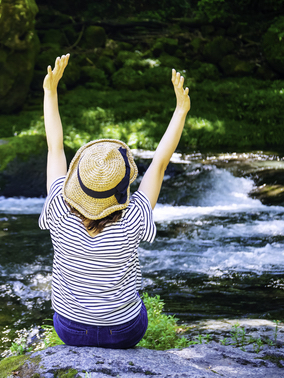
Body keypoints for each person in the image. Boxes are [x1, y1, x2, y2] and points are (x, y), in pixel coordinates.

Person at [39, 54, 190, 348]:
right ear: (123, 186)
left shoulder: (58, 206)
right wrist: (180, 110)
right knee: (137, 307)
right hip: (123, 331)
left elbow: (55, 147)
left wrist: (50, 91)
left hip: (69, 327)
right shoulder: (133, 217)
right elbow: (159, 163)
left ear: (77, 179)